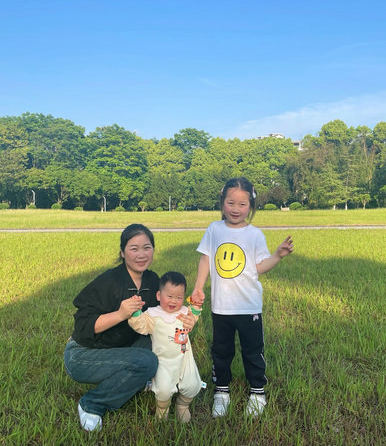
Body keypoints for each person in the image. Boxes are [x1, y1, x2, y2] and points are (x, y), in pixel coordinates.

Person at [63, 224, 196, 432]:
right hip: (84, 355)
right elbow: (82, 326)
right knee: (147, 361)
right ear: (123, 252)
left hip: (122, 348)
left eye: (147, 247)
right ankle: (92, 404)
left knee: (163, 339)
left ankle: (149, 380)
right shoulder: (109, 282)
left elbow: (166, 313)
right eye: (134, 248)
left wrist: (188, 319)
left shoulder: (152, 281)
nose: (141, 254)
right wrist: (120, 314)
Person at [190, 177, 293, 418]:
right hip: (221, 307)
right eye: (231, 203)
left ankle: (257, 392)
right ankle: (221, 391)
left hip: (248, 307)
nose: (236, 209)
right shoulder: (214, 229)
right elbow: (206, 258)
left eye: (242, 204)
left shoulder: (254, 234)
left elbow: (258, 267)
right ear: (222, 202)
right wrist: (198, 287)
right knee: (221, 351)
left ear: (251, 206)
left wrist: (277, 256)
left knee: (252, 351)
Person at [128, 271, 203, 422]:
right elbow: (140, 325)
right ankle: (162, 408)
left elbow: (194, 315)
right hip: (163, 360)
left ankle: (182, 405)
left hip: (185, 358)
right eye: (169, 296)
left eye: (179, 297)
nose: (174, 301)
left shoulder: (184, 312)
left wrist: (197, 304)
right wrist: (136, 312)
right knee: (163, 389)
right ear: (158, 295)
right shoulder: (153, 315)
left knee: (193, 385)